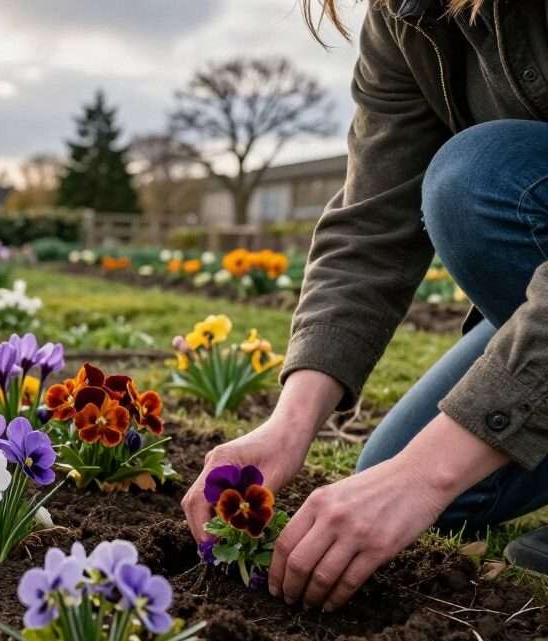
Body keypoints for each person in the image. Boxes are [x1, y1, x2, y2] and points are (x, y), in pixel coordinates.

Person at [181, 0, 548, 613]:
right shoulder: (406, 18)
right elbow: (371, 225)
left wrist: (424, 474)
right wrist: (289, 425)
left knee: (475, 182)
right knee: (404, 476)